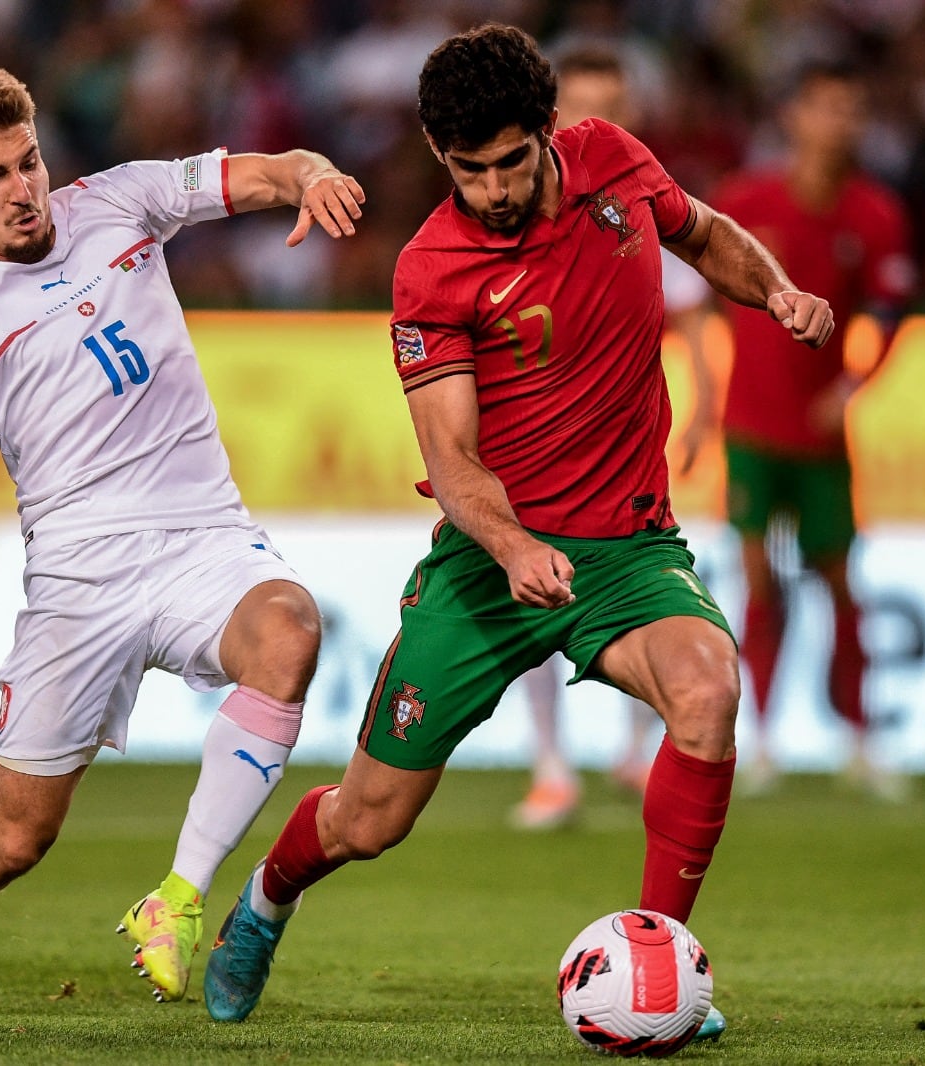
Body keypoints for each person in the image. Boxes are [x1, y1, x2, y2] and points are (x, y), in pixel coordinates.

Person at [201, 25, 834, 1043]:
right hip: (486, 564)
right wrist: (510, 546)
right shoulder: (431, 271)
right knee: (371, 818)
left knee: (709, 692)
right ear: (434, 150)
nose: (492, 189)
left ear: (550, 131)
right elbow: (453, 461)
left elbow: (708, 233)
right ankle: (266, 902)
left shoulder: (617, 166)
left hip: (626, 549)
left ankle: (657, 968)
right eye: (467, 170)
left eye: (510, 163)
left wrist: (779, 293)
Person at [0, 68, 365, 1015]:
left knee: (289, 632)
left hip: (203, 537)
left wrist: (312, 174)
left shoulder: (120, 200)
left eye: (27, 161)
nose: (21, 189)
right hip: (78, 580)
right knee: (15, 842)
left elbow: (269, 171)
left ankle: (181, 899)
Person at [508, 47, 716, 830]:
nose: (605, 122)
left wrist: (705, 413)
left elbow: (694, 318)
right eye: (589, 105)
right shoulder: (521, 209)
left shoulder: (645, 204)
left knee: (641, 583)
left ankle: (634, 749)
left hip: (629, 448)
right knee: (533, 593)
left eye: (616, 104)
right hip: (539, 449)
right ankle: (551, 765)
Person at [707, 62, 914, 799]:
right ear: (794, 116)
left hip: (822, 439)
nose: (841, 123)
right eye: (828, 107)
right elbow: (703, 301)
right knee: (758, 579)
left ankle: (860, 741)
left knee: (838, 583)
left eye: (852, 109)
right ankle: (759, 741)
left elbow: (890, 314)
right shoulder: (744, 200)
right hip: (752, 428)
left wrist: (852, 386)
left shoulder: (876, 214)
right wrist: (703, 399)